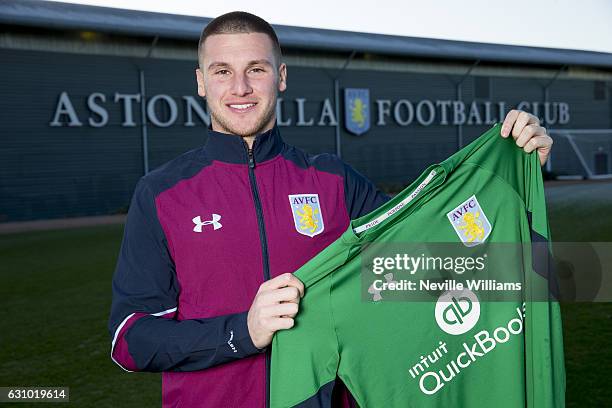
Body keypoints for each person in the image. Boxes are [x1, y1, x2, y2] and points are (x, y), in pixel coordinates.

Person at [108, 11, 554, 408]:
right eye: (222, 71)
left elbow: (431, 262)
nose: (240, 87)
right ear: (201, 81)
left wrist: (515, 178)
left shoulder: (335, 182)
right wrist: (242, 331)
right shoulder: (162, 194)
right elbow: (130, 339)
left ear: (281, 77)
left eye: (256, 69)